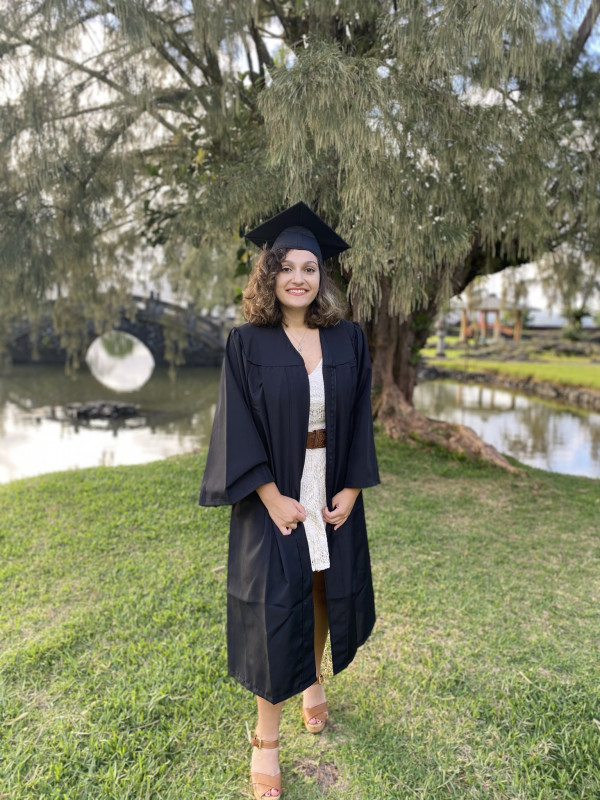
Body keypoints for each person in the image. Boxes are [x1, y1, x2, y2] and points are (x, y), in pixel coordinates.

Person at [199, 201, 379, 799]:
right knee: (277, 605)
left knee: (325, 586)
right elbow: (236, 426)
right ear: (268, 275)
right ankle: (266, 739)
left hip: (330, 481)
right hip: (274, 491)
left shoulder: (348, 338)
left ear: (322, 276)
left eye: (310, 267)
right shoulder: (246, 342)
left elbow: (360, 420)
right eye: (286, 267)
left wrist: (352, 486)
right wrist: (271, 497)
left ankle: (313, 682)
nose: (299, 277)